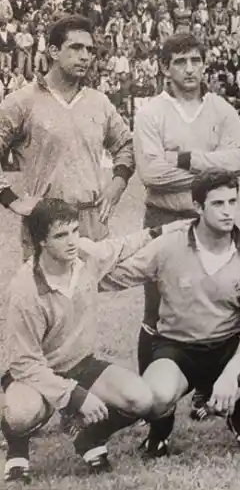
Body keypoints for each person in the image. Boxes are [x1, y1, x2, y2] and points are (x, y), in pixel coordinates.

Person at [102, 170, 240, 456]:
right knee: (155, 396)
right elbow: (114, 277)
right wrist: (84, 261)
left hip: (227, 345)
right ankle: (160, 431)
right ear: (198, 207)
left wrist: (231, 374)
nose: (228, 212)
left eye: (232, 202)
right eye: (218, 204)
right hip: (178, 347)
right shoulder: (168, 246)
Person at [2, 200, 185, 481]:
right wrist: (75, 396)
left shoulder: (85, 255)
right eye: (61, 235)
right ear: (40, 241)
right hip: (35, 375)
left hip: (80, 363)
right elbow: (24, 362)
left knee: (142, 399)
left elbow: (122, 245)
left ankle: (89, 438)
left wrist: (164, 230)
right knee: (21, 412)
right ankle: (17, 452)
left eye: (75, 231)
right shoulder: (24, 290)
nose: (72, 241)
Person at [133, 33, 240, 420]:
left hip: (215, 220)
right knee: (156, 312)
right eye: (180, 61)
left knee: (220, 304)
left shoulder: (220, 109)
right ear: (165, 68)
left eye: (196, 60)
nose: (190, 68)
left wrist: (183, 157)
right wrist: (213, 173)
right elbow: (151, 173)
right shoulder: (151, 112)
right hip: (166, 218)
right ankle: (152, 404)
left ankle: (211, 392)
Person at [0, 15, 134, 246]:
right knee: (46, 283)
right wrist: (12, 199)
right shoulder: (22, 101)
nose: (85, 56)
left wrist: (117, 185)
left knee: (93, 282)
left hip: (93, 225)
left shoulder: (98, 102)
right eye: (76, 47)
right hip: (46, 227)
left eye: (90, 50)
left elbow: (125, 145)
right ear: (53, 51)